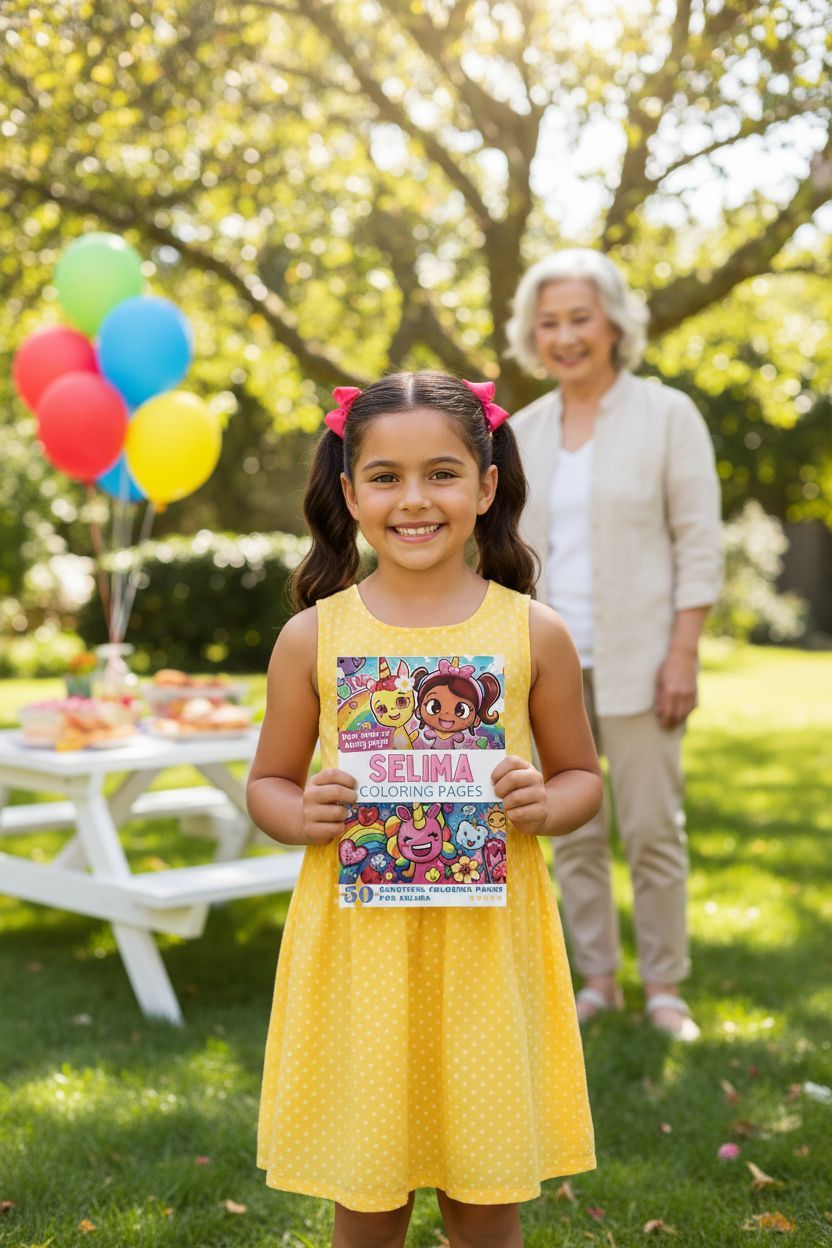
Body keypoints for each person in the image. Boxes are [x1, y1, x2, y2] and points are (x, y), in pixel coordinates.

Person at [248, 371, 603, 1248]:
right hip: (361, 951)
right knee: (369, 1193)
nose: (415, 499)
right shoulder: (313, 638)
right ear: (349, 492)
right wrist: (302, 814)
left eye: (442, 474)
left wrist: (543, 803)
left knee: (484, 1197)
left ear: (486, 489)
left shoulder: (534, 633)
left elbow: (582, 778)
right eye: (386, 477)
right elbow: (268, 783)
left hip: (487, 950)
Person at [506, 249, 723, 1042]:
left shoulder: (668, 416)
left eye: (579, 318)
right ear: (534, 335)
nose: (565, 336)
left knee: (653, 825)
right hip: (547, 666)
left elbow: (698, 541)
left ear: (613, 325)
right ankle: (597, 977)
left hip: (641, 659)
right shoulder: (522, 431)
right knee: (570, 828)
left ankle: (665, 986)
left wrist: (683, 653)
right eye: (549, 323)